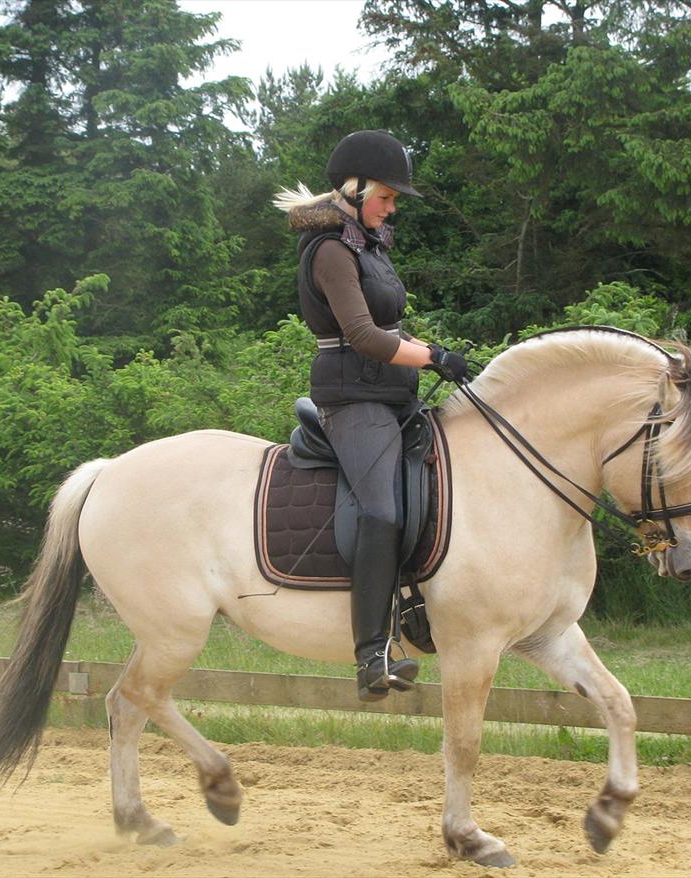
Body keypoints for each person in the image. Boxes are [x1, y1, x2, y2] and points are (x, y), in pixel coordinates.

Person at [272, 130, 468, 702]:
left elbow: (392, 330)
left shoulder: (371, 246)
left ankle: (420, 601)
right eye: (386, 194)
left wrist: (438, 356)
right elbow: (361, 336)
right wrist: (432, 357)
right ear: (354, 190)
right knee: (380, 510)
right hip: (353, 400)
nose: (392, 204)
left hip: (393, 393)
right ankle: (370, 656)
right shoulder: (331, 250)